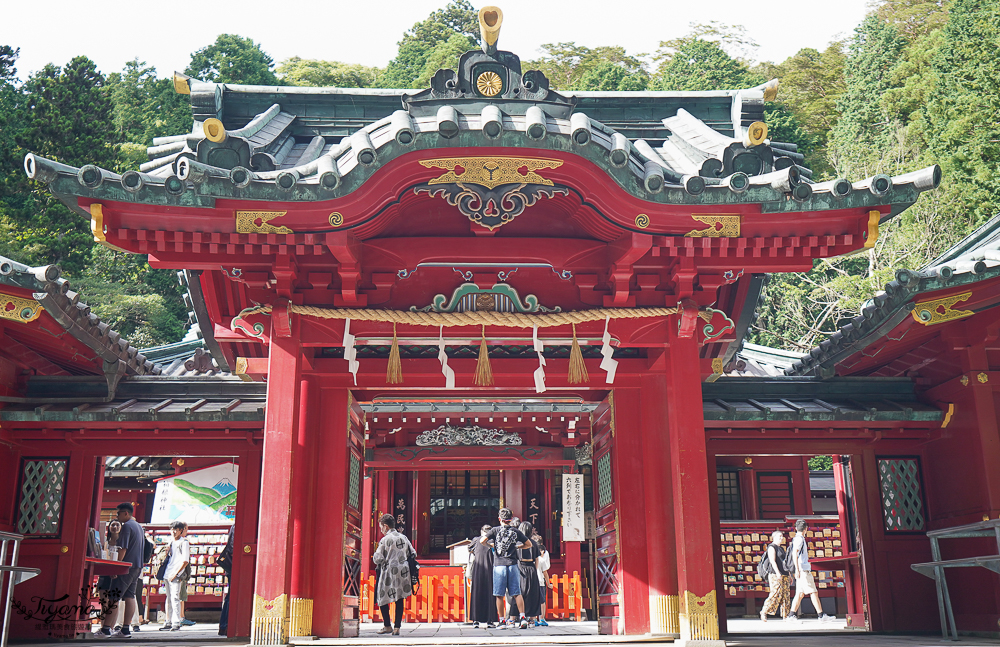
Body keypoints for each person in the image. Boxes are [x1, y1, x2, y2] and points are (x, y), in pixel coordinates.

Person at [97, 503, 143, 638]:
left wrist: (117, 567)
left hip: (126, 567)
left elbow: (123, 548)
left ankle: (106, 629)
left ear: (126, 513)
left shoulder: (127, 526)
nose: (117, 516)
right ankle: (125, 629)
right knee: (130, 596)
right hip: (137, 566)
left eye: (118, 513)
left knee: (113, 597)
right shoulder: (138, 526)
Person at [481, 508, 532, 629]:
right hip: (513, 564)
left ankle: (502, 621)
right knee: (516, 593)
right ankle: (523, 618)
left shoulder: (495, 530)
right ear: (510, 519)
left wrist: (491, 545)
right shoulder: (516, 531)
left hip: (499, 565)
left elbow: (482, 540)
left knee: (499, 594)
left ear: (500, 519)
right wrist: (517, 547)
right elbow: (528, 544)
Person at [373, 514, 417, 636]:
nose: (381, 529)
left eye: (381, 527)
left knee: (382, 597)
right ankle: (397, 627)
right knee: (399, 598)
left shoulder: (385, 540)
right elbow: (413, 553)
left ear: (386, 526)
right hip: (403, 572)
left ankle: (387, 625)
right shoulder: (404, 537)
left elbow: (377, 558)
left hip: (388, 572)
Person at [788, 520, 836, 622]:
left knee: (800, 594)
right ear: (806, 529)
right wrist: (797, 569)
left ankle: (791, 615)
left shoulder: (795, 539)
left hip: (800, 569)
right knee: (813, 592)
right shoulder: (800, 540)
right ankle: (821, 615)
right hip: (803, 569)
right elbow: (794, 554)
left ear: (796, 528)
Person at [505, 522, 541, 627]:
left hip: (519, 567)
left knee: (517, 593)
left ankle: (512, 619)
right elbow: (537, 559)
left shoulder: (516, 543)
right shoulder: (534, 543)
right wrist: (534, 570)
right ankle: (532, 619)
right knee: (532, 594)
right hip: (531, 568)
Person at [159, 521, 190, 632]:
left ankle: (176, 622)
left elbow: (185, 560)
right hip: (168, 572)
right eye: (172, 529)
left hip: (176, 573)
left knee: (175, 597)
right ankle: (168, 621)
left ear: (181, 531)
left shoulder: (184, 542)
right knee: (168, 598)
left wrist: (177, 573)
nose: (173, 531)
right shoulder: (171, 542)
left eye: (176, 529)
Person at [466, 525, 498, 629]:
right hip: (490, 569)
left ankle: (475, 620)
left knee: (477, 593)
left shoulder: (476, 540)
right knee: (490, 594)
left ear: (481, 531)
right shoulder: (493, 541)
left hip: (478, 570)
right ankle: (490, 620)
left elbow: (469, 549)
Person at [759, 530, 791, 622]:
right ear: (774, 537)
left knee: (786, 595)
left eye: (782, 536)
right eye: (779, 536)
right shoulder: (772, 547)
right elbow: (772, 561)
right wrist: (777, 572)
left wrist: (789, 574)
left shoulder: (782, 548)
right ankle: (764, 611)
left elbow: (785, 563)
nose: (781, 538)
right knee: (775, 593)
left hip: (784, 573)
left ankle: (786, 615)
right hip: (774, 573)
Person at [216, 524, 235, 636]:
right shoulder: (237, 526)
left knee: (230, 596)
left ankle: (224, 626)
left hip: (232, 566)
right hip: (234, 565)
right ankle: (225, 625)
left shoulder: (234, 526)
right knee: (231, 596)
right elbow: (232, 547)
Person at [533, 531, 553, 626]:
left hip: (531, 580)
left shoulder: (530, 553)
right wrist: (548, 583)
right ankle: (542, 618)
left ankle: (533, 619)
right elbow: (545, 571)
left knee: (532, 600)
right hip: (540, 580)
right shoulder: (543, 555)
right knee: (542, 601)